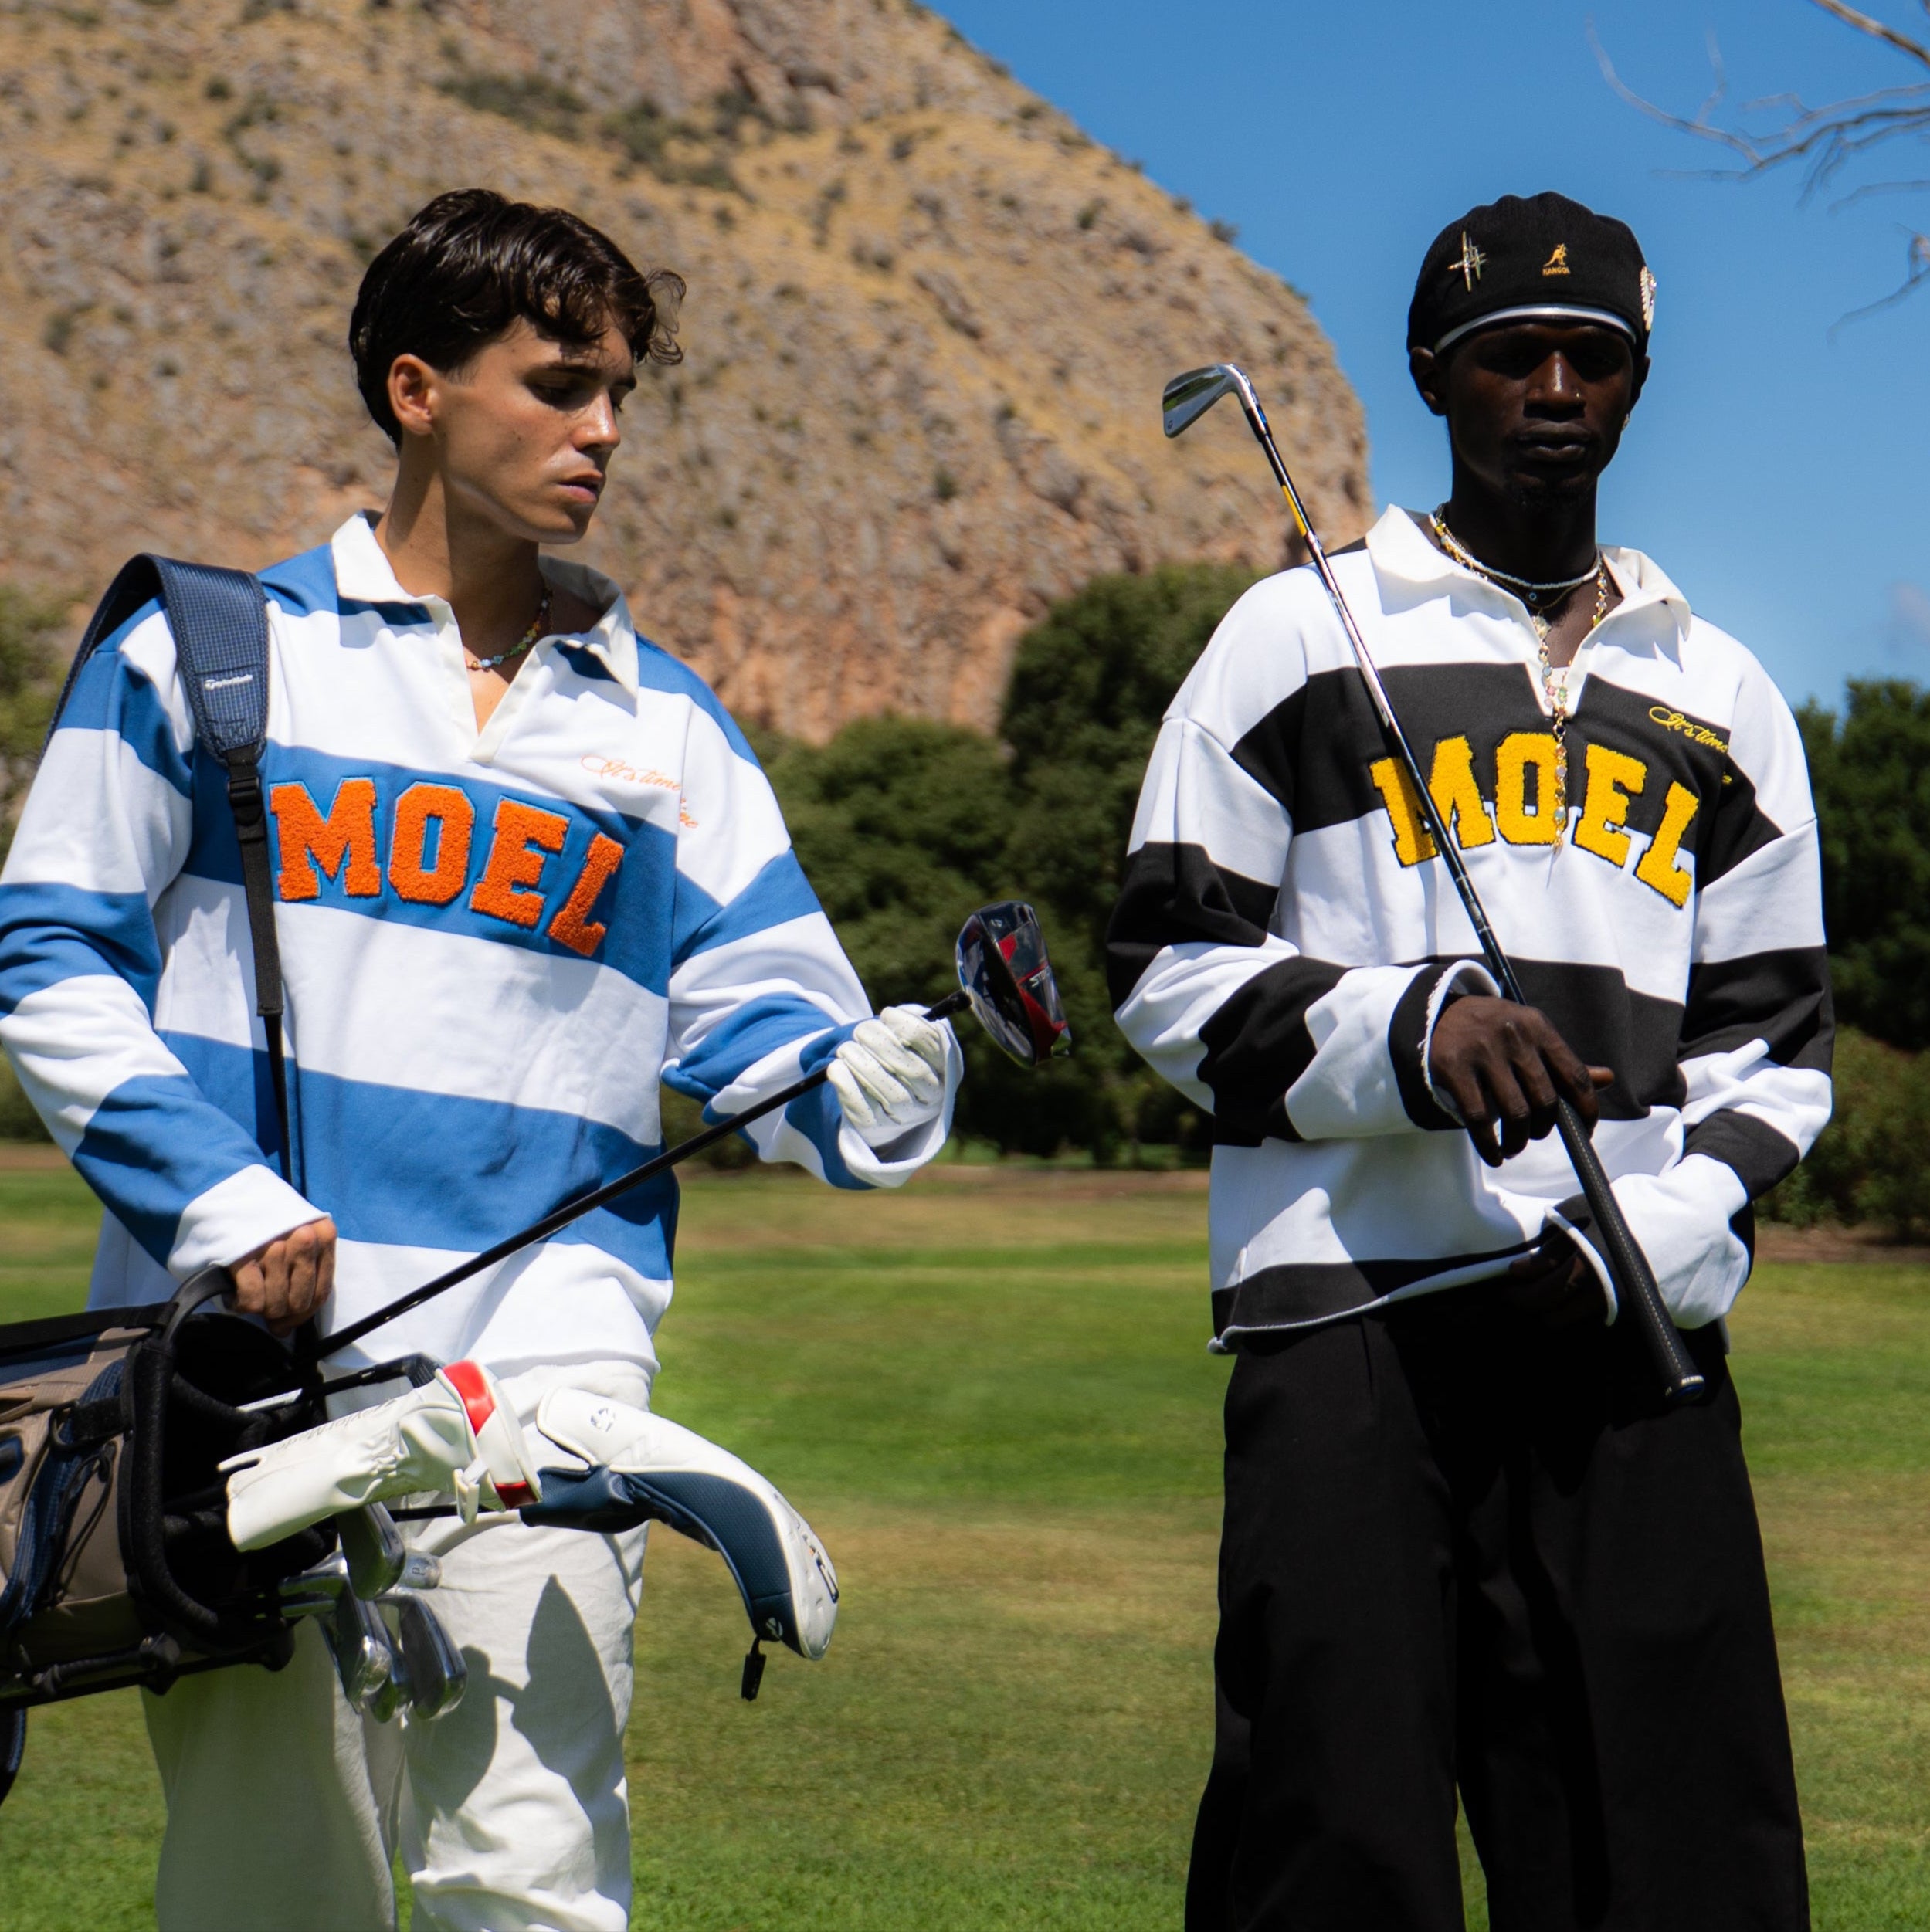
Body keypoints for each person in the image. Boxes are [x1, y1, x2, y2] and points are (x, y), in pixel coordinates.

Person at [0, 188, 960, 1932]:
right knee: (271, 1893)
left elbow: (766, 1025)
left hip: (547, 1386)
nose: (603, 430)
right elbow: (51, 950)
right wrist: (220, 1202)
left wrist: (863, 1085)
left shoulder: (665, 721)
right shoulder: (212, 652)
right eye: (559, 384)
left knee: (533, 1881)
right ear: (418, 389)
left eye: (619, 394)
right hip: (235, 1378)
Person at [1110, 191, 1829, 1930]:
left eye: (1594, 358)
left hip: (1623, 1331)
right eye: (1512, 355)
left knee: (1670, 1850)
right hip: (1347, 1324)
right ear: (1437, 375)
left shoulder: (1722, 689)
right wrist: (1409, 1030)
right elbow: (1165, 967)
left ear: (1636, 383)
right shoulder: (1296, 632)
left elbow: (1775, 1051)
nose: (1554, 390)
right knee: (1332, 1842)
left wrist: (1657, 1235)